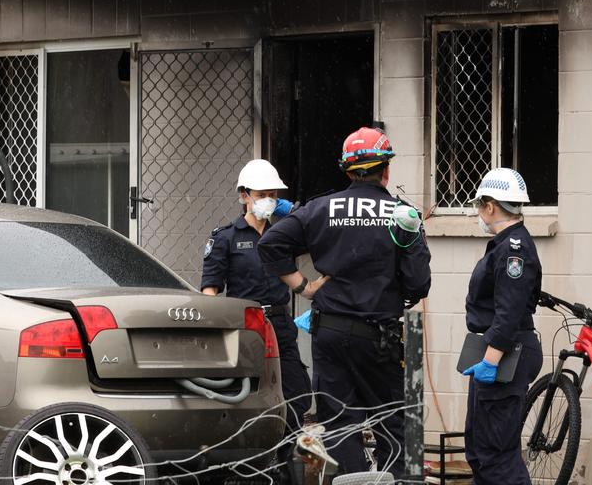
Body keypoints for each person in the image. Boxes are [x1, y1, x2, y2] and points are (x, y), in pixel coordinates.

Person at [259, 126, 432, 476]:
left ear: (349, 171)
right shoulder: (402, 216)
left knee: (339, 425)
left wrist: (304, 286)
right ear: (386, 170)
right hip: (379, 339)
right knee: (393, 426)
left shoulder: (321, 208)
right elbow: (418, 284)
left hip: (331, 335)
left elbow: (270, 245)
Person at [200, 158, 311, 482]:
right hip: (244, 328)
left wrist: (295, 214)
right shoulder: (226, 238)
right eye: (263, 194)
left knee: (297, 392)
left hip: (279, 323)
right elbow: (210, 291)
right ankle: (248, 467)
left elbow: (315, 233)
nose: (269, 200)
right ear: (244, 195)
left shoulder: (284, 233)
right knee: (247, 397)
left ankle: (283, 458)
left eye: (274, 194)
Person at [460, 167, 545, 485]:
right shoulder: (505, 244)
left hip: (505, 353)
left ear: (490, 206)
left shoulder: (514, 250)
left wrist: (491, 360)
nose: (478, 213)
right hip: (495, 350)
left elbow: (508, 313)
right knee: (480, 452)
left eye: (479, 205)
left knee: (497, 454)